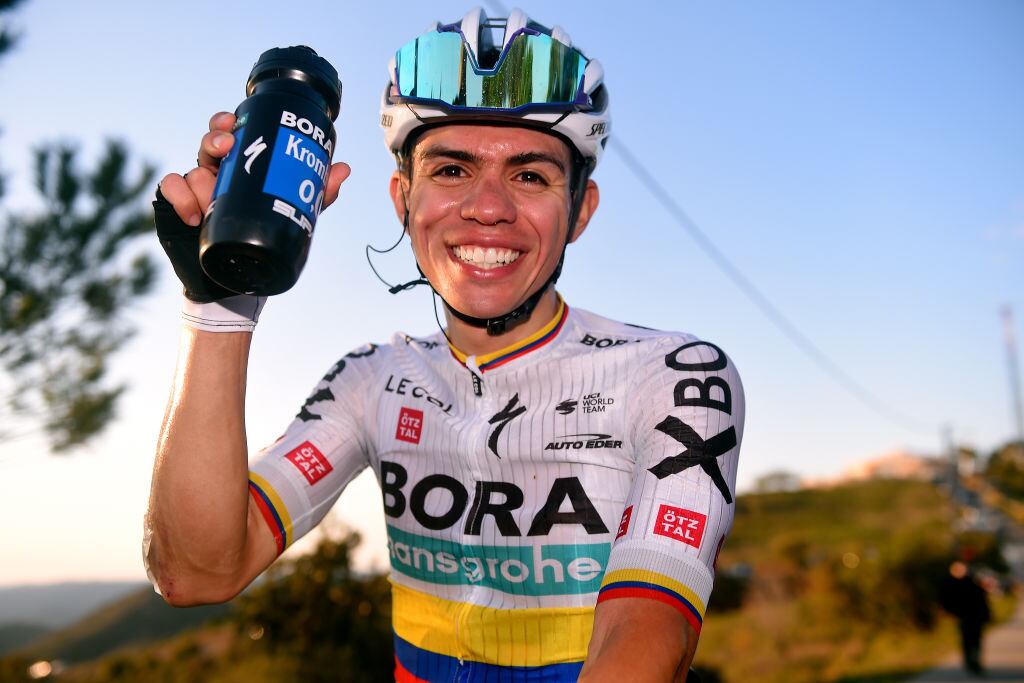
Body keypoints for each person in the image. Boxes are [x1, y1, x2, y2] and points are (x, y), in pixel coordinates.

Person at [144, 8, 745, 682]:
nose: (488, 206)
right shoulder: (370, 380)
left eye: (529, 175)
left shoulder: (675, 376)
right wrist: (218, 305)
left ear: (580, 210)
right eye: (452, 169)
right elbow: (197, 570)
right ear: (403, 199)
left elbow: (646, 635)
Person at [939, 560, 991, 676]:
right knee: (967, 641)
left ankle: (975, 662)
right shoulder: (949, 583)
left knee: (976, 640)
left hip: (976, 617)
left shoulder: (972, 582)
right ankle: (969, 662)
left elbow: (982, 599)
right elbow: (945, 600)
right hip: (963, 617)